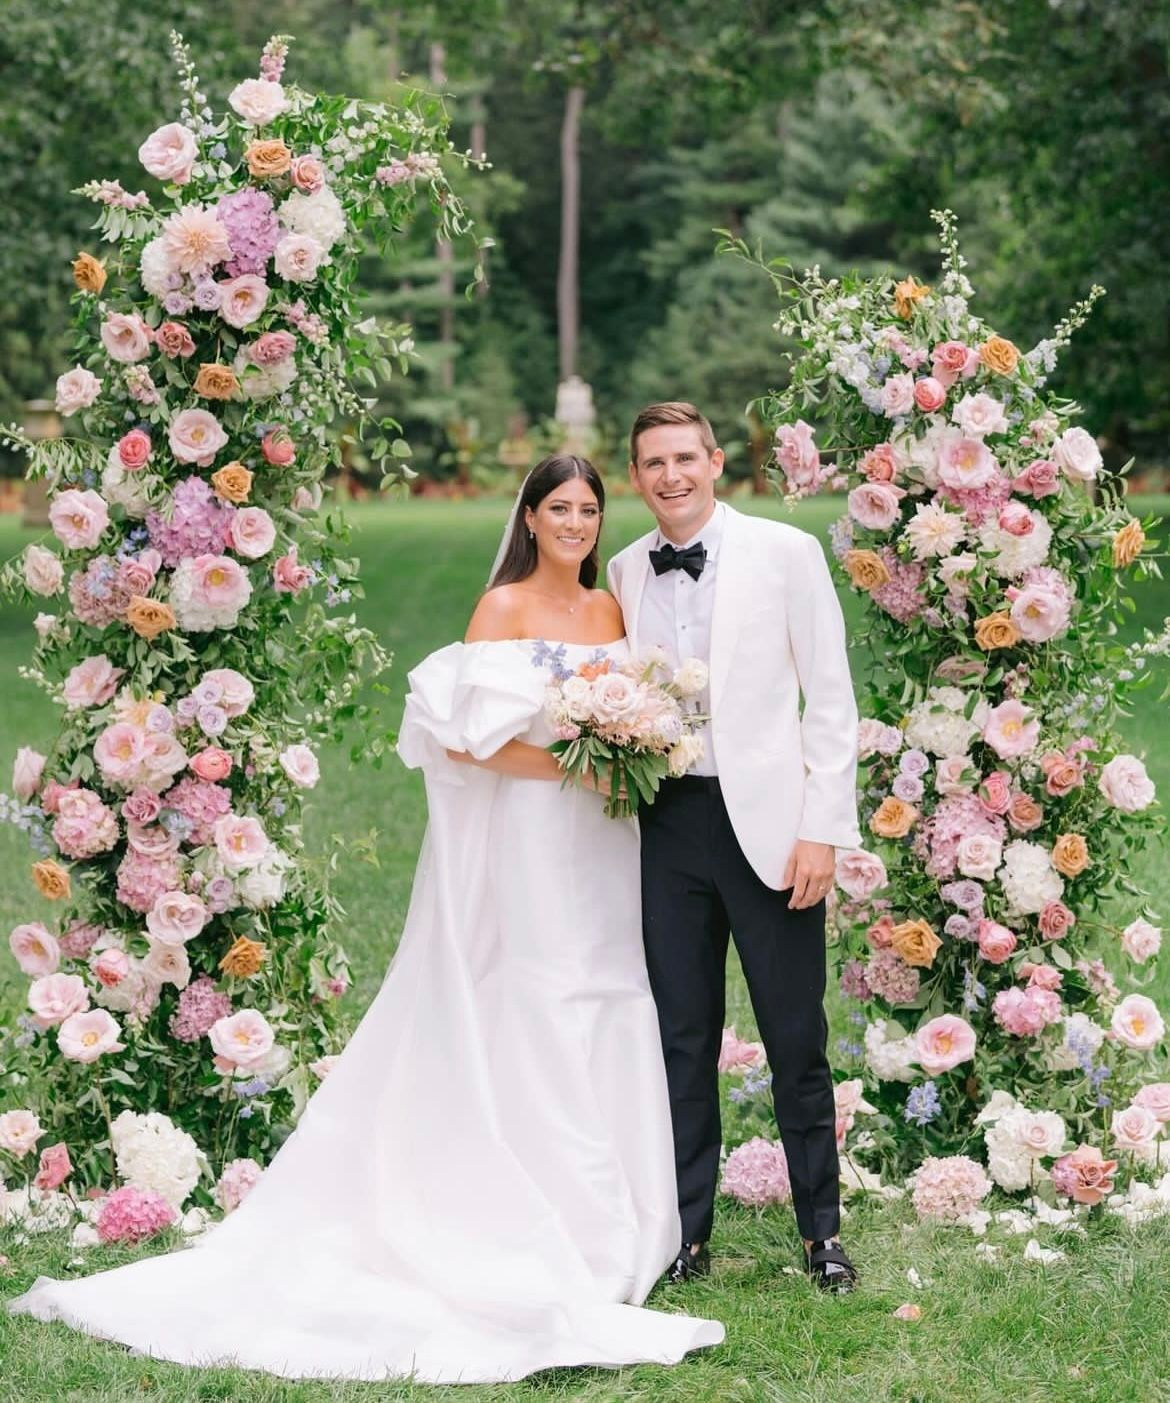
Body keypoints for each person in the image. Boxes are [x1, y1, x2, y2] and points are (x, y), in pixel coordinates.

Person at [8, 454, 723, 1383]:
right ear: (531, 517)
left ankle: (613, 1212)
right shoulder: (502, 609)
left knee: (608, 989)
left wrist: (628, 747)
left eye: (589, 508)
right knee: (537, 995)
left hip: (606, 841)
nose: (577, 524)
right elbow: (474, 737)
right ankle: (523, 1203)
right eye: (560, 508)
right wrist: (576, 765)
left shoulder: (612, 610)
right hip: (539, 837)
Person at [608, 403, 862, 1292]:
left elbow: (831, 700)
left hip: (771, 827)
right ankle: (687, 1234)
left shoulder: (786, 555)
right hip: (668, 827)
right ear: (635, 477)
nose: (671, 476)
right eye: (652, 463)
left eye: (685, 457)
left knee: (796, 1036)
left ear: (716, 460)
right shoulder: (624, 570)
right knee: (682, 1036)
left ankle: (820, 1232)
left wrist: (821, 830)